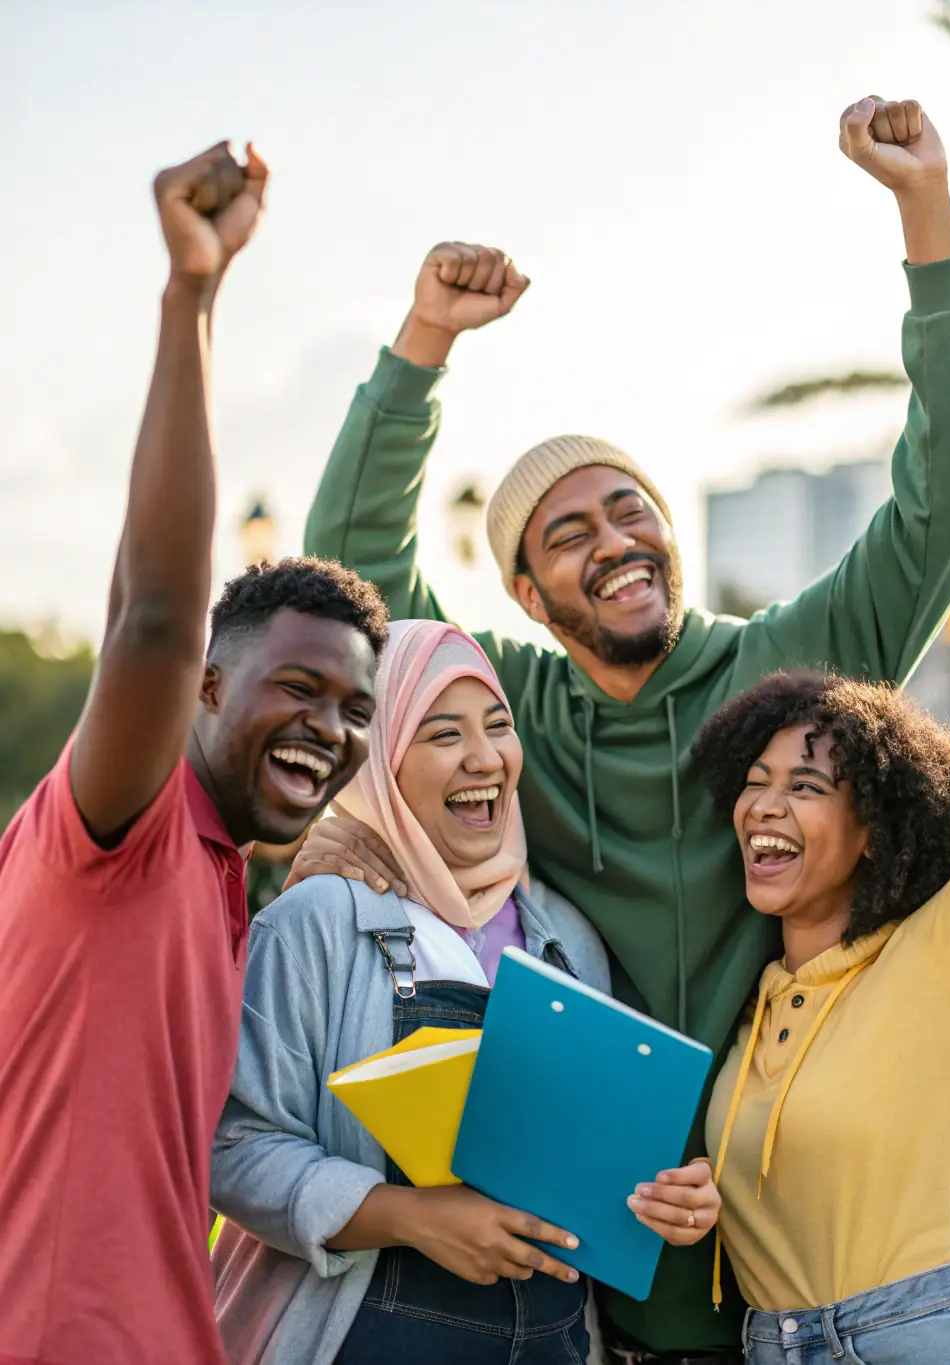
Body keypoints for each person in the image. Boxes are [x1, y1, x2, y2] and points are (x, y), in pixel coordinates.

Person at [294, 96, 950, 1360]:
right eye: (569, 534)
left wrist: (924, 209)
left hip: (777, 1259)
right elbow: (354, 581)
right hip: (585, 1287)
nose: (615, 541)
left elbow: (944, 500)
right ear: (528, 596)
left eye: (632, 511)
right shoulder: (513, 709)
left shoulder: (785, 674)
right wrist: (422, 345)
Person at [0, 143, 389, 1365]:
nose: (332, 728)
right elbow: (154, 615)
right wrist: (194, 296)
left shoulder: (223, 872)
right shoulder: (128, 822)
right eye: (300, 688)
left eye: (356, 709)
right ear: (204, 690)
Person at [209, 618, 722, 1365]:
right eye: (443, 733)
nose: (484, 756)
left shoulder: (566, 938)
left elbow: (591, 1166)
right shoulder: (315, 920)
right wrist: (411, 1217)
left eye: (498, 725)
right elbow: (234, 1149)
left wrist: (671, 1198)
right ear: (381, 758)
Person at [692, 671, 950, 1364]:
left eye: (806, 786)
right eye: (755, 782)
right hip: (771, 1344)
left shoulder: (943, 954)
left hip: (923, 1336)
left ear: (873, 828)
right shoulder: (750, 1011)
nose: (766, 806)